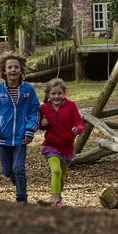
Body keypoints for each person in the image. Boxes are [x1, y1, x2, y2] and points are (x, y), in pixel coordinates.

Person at [0, 52, 40, 205]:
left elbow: (35, 111)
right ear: (4, 70)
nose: (13, 70)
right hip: (3, 136)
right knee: (8, 171)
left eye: (16, 67)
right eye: (10, 67)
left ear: (21, 70)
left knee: (18, 168)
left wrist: (30, 129)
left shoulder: (28, 90)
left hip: (21, 137)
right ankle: (16, 180)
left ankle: (22, 199)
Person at [39, 78, 84, 208]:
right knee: (56, 171)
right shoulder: (44, 108)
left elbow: (80, 123)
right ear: (48, 94)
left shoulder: (71, 106)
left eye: (59, 93)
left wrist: (78, 130)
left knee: (62, 176)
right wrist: (43, 124)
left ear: (64, 93)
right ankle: (56, 201)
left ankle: (58, 196)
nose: (56, 96)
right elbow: (40, 125)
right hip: (51, 146)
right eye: (53, 94)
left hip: (67, 147)